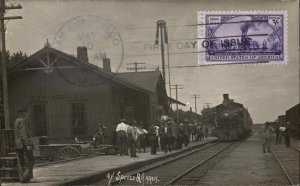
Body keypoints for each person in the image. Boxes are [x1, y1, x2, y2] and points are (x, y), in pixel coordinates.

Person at [14, 109, 34, 183]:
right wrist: (28, 144)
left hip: (18, 145)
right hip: (24, 144)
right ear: (22, 113)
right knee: (31, 159)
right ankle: (26, 176)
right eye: (26, 113)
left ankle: (23, 178)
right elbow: (24, 134)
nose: (27, 114)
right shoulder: (22, 121)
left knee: (21, 161)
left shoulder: (16, 121)